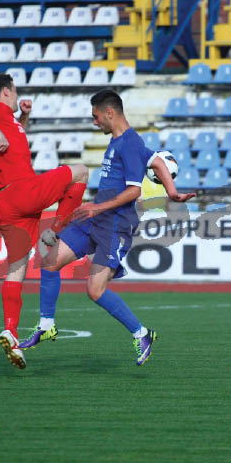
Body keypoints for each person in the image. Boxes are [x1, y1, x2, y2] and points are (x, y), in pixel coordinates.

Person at [19, 90, 196, 366]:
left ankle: (142, 334)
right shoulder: (122, 141)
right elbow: (158, 161)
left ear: (109, 113)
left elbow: (134, 192)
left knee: (94, 290)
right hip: (96, 218)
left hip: (115, 224)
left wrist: (96, 207)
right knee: (50, 261)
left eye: (96, 116)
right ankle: (46, 325)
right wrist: (171, 191)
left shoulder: (129, 143)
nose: (94, 122)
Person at [0, 73, 88, 370]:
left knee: (16, 270)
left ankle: (10, 333)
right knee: (80, 171)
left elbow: (11, 141)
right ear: (6, 92)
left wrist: (24, 118)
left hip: (9, 204)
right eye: (15, 93)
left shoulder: (9, 120)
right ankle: (55, 231)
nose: (17, 98)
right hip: (23, 190)